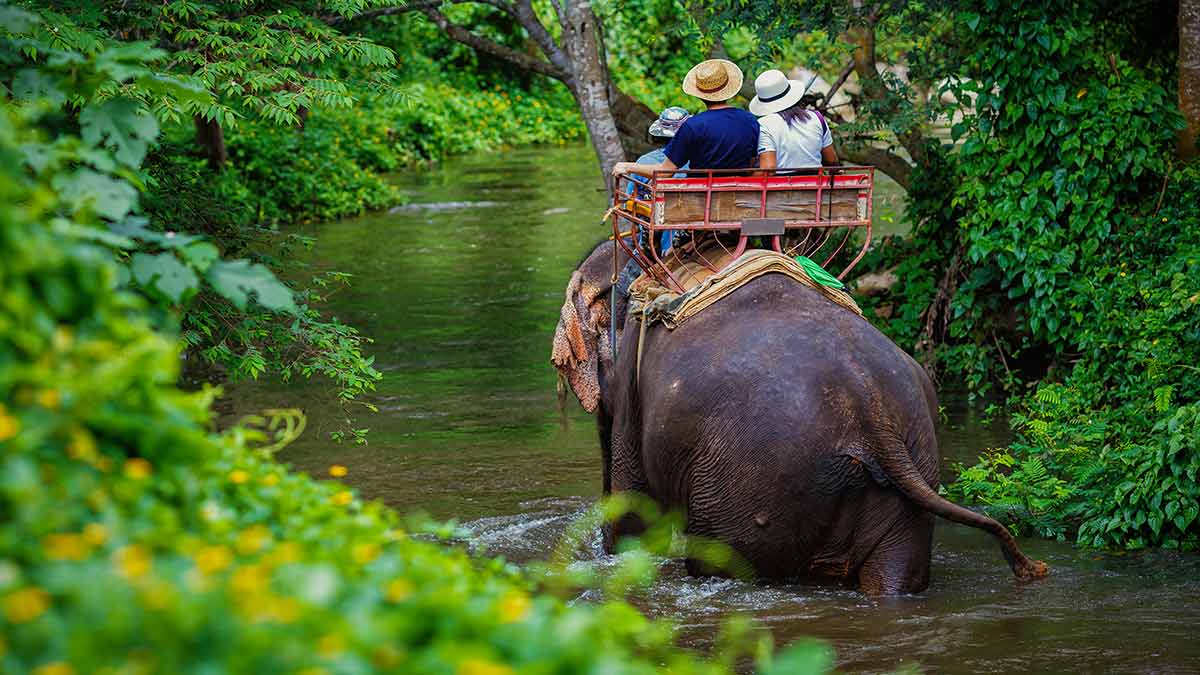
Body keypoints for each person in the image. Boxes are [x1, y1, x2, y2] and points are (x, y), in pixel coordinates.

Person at [611, 59, 759, 180]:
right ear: (729, 89)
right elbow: (751, 162)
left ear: (700, 95)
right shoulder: (750, 120)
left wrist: (627, 166)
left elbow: (665, 172)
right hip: (740, 190)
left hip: (701, 195)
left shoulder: (693, 126)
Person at [749, 69, 838, 170]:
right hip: (815, 181)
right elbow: (832, 160)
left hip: (780, 183)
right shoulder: (816, 118)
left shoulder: (763, 125)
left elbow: (769, 168)